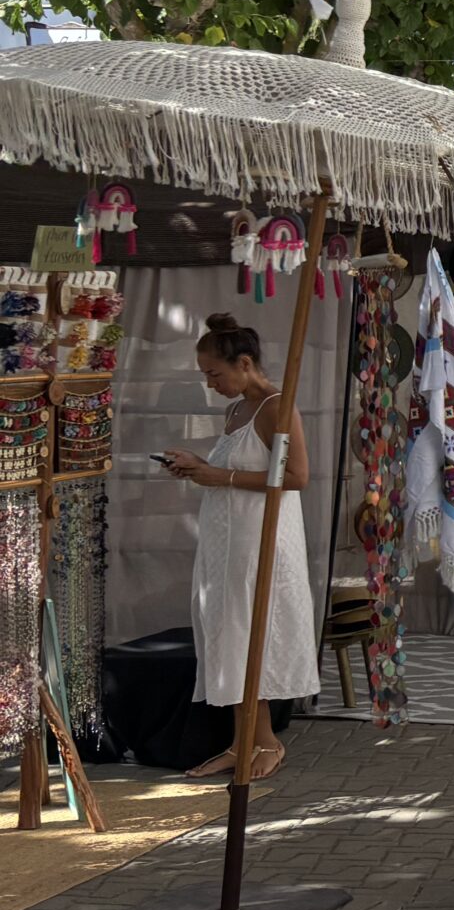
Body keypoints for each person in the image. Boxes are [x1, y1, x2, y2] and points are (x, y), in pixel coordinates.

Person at [165, 312, 318, 780]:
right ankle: (241, 741)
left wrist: (220, 476)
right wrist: (197, 467)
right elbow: (234, 469)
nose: (210, 384)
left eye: (214, 373)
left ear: (245, 363)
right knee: (230, 634)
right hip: (226, 538)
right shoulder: (236, 410)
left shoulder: (277, 405)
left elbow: (296, 477)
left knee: (255, 633)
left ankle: (266, 742)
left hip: (259, 540)